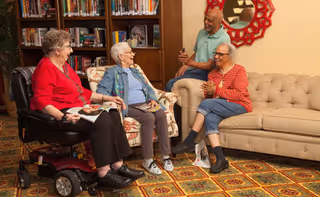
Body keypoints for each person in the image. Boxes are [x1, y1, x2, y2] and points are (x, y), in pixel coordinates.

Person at [30, 29, 145, 189]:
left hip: (76, 107)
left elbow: (82, 91)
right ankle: (104, 173)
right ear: (57, 50)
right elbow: (41, 100)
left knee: (111, 111)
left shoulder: (64, 67)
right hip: (61, 113)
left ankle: (118, 164)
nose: (71, 50)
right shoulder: (45, 68)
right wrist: (62, 117)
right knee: (102, 119)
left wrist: (108, 98)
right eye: (68, 47)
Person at [172, 42, 252, 173]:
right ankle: (221, 159)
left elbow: (240, 94)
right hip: (220, 106)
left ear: (229, 56)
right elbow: (210, 99)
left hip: (240, 105)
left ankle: (189, 141)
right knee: (210, 117)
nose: (216, 56)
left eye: (220, 54)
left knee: (206, 105)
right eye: (215, 53)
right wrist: (209, 92)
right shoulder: (213, 74)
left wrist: (216, 90)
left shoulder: (239, 70)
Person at [97, 42, 174, 175]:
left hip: (145, 104)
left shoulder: (135, 71)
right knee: (148, 117)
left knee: (160, 114)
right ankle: (148, 160)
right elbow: (101, 91)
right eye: (130, 52)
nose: (133, 54)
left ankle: (166, 156)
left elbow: (149, 88)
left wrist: (153, 99)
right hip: (129, 106)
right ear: (121, 56)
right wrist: (113, 100)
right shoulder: (113, 72)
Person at [165, 8, 231, 91]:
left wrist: (189, 62)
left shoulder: (224, 38)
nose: (205, 22)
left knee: (171, 83)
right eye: (205, 19)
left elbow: (211, 65)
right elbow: (197, 52)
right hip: (194, 69)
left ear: (219, 22)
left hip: (208, 73)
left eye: (209, 21)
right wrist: (185, 65)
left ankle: (161, 104)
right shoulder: (201, 32)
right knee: (172, 81)